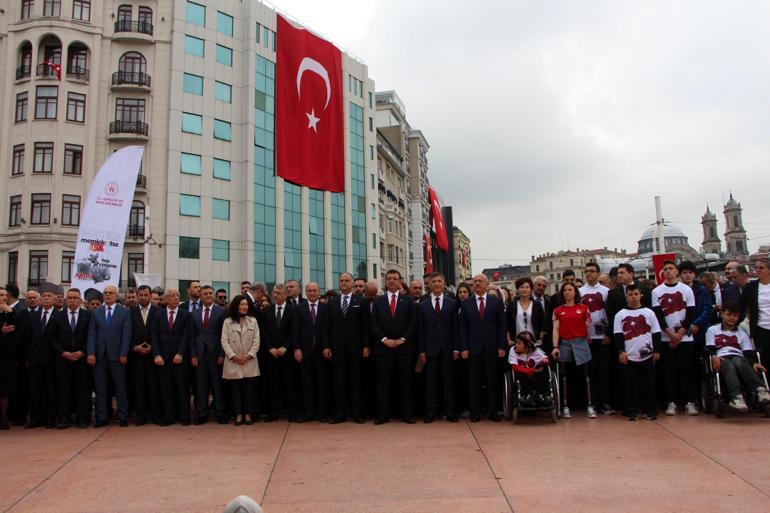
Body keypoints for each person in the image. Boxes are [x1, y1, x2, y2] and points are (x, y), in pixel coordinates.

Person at [370, 269, 417, 424]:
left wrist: (403, 339)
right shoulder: (378, 301)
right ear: (385, 281)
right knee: (382, 384)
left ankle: (406, 414)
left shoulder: (408, 300)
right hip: (383, 349)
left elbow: (412, 323)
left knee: (405, 383)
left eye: (394, 278)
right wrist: (384, 339)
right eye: (388, 278)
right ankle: (382, 415)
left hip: (404, 349)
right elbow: (373, 324)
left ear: (399, 281)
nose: (391, 281)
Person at [706, 300, 770, 411]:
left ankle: (760, 390)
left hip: (738, 356)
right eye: (729, 314)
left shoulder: (741, 332)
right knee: (729, 364)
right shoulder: (713, 330)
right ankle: (736, 397)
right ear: (722, 314)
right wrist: (713, 357)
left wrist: (754, 363)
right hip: (722, 357)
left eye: (735, 315)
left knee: (739, 362)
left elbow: (748, 352)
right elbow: (710, 348)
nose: (732, 318)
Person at [652, 261, 697, 416]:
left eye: (671, 268)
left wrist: (681, 332)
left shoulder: (686, 290)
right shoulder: (657, 291)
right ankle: (671, 401)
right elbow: (658, 315)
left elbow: (690, 312)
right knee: (669, 371)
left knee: (686, 370)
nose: (668, 271)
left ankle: (689, 401)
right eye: (665, 269)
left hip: (684, 338)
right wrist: (670, 334)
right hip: (666, 338)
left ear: (676, 271)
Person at [459, 273, 507, 422]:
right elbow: (463, 328)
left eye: (480, 281)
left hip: (492, 348)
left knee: (492, 380)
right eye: (475, 282)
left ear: (487, 284)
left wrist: (501, 346)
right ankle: (475, 411)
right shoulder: (466, 303)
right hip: (473, 349)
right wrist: (464, 348)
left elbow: (501, 326)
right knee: (474, 381)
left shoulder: (496, 302)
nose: (478, 284)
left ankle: (493, 411)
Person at [325, 272, 370, 424]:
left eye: (346, 280)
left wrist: (366, 345)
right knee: (339, 383)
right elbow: (327, 327)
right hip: (337, 349)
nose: (343, 283)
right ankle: (340, 413)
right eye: (341, 281)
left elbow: (366, 325)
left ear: (352, 283)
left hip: (356, 348)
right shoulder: (332, 302)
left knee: (356, 382)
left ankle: (357, 413)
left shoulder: (361, 301)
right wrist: (326, 346)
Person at [613, 284, 662, 421]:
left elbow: (656, 333)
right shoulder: (620, 315)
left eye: (636, 294)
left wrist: (656, 351)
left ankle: (650, 410)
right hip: (629, 356)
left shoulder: (649, 313)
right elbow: (618, 335)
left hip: (647, 355)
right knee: (630, 385)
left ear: (640, 295)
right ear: (626, 297)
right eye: (630, 294)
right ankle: (631, 410)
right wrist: (620, 351)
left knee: (649, 385)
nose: (633, 297)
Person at [87, 285, 131, 427]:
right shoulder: (96, 312)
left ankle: (122, 416)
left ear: (116, 295)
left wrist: (124, 353)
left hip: (117, 355)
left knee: (120, 387)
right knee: (100, 388)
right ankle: (101, 417)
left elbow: (126, 334)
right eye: (105, 293)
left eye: (110, 293)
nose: (107, 295)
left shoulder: (124, 312)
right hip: (100, 356)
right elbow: (92, 333)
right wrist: (91, 353)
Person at [418, 272, 459, 423]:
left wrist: (456, 348)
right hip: (430, 350)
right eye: (433, 281)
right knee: (431, 383)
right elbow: (420, 330)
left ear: (443, 283)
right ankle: (430, 412)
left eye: (438, 281)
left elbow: (456, 327)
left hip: (448, 349)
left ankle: (450, 411)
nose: (436, 284)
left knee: (448, 382)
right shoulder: (422, 306)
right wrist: (421, 350)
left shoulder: (452, 303)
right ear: (428, 284)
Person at [551, 282, 596, 419]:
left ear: (575, 292)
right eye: (565, 290)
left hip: (581, 342)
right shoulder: (558, 310)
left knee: (586, 375)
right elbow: (556, 329)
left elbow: (587, 324)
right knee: (564, 376)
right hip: (565, 343)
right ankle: (565, 406)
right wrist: (555, 346)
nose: (567, 292)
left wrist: (586, 335)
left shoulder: (583, 308)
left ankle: (589, 405)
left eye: (570, 290)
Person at [49, 288, 91, 429]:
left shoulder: (87, 316)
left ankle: (82, 418)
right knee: (63, 389)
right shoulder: (58, 316)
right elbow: (52, 338)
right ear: (66, 299)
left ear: (80, 300)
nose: (72, 300)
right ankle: (63, 419)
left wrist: (82, 352)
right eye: (70, 298)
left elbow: (90, 337)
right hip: (63, 359)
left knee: (82, 390)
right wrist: (63, 352)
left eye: (75, 298)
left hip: (81, 359)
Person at [152, 289, 192, 426]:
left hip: (180, 357)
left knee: (182, 388)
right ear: (166, 299)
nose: (176, 298)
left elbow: (187, 336)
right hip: (163, 358)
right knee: (166, 388)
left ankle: (184, 416)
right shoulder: (158, 315)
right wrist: (157, 354)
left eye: (178, 296)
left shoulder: (185, 315)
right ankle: (169, 416)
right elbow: (154, 336)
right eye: (173, 296)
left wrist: (180, 353)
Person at [579, 262, 613, 415]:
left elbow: (611, 314)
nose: (589, 274)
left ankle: (605, 402)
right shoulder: (579, 292)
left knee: (604, 371)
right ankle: (591, 402)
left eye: (592, 271)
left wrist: (607, 334)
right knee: (589, 372)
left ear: (598, 274)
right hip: (587, 338)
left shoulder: (606, 292)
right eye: (586, 271)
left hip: (603, 337)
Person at [190, 285, 227, 425]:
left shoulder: (221, 311)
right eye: (205, 293)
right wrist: (193, 354)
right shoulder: (194, 313)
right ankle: (201, 413)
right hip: (200, 354)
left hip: (216, 353)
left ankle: (220, 413)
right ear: (200, 295)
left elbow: (224, 334)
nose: (208, 295)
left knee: (217, 385)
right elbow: (191, 336)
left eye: (210, 293)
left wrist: (222, 354)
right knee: (201, 386)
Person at [221, 295, 260, 426]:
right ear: (236, 306)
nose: (244, 307)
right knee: (235, 390)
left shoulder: (253, 321)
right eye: (242, 304)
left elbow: (256, 340)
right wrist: (233, 356)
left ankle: (248, 414)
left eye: (246, 304)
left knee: (249, 390)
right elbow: (224, 341)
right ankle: (238, 414)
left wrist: (249, 355)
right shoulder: (227, 321)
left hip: (249, 360)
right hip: (233, 360)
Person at [292, 283, 329, 422]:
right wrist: (296, 348)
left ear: (319, 292)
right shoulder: (298, 308)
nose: (312, 293)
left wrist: (326, 347)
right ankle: (309, 412)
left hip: (321, 352)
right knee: (306, 383)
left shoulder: (326, 308)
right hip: (304, 352)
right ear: (306, 292)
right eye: (309, 291)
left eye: (314, 290)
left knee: (322, 383)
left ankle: (321, 413)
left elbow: (328, 329)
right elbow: (294, 330)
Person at [262, 283, 296, 422]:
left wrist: (285, 347)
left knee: (289, 385)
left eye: (278, 293)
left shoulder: (293, 310)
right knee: (273, 385)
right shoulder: (267, 310)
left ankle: (291, 413)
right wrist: (270, 348)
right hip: (271, 355)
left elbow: (294, 331)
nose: (275, 295)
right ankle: (273, 413)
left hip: (287, 354)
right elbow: (263, 332)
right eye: (274, 292)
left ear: (285, 295)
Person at [26, 283, 58, 428]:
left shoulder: (59, 316)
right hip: (35, 359)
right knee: (34, 390)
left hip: (51, 359)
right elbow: (27, 338)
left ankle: (49, 418)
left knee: (50, 389)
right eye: (43, 296)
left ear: (54, 299)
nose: (46, 298)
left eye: (48, 296)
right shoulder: (33, 316)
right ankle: (35, 418)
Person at [130, 285, 160, 426]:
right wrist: (133, 347)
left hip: (152, 355)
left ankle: (155, 414)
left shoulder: (158, 312)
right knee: (139, 386)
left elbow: (160, 334)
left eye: (145, 295)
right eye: (140, 295)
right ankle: (141, 415)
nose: (143, 297)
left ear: (150, 295)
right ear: (137, 296)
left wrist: (153, 348)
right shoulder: (131, 313)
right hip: (136, 356)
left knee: (154, 386)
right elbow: (127, 333)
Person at [508, 330, 550, 404]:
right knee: (521, 374)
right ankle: (528, 395)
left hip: (535, 376)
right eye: (516, 342)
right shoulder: (513, 350)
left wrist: (545, 361)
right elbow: (515, 367)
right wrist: (531, 370)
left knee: (543, 374)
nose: (516, 345)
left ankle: (540, 395)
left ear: (527, 346)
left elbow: (546, 359)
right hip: (522, 376)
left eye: (519, 343)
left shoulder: (536, 351)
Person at [741, 258, 770, 356]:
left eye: (761, 268)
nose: (758, 270)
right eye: (756, 267)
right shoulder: (751, 286)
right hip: (760, 328)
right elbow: (741, 305)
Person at [507, 277, 546, 347]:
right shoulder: (512, 305)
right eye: (521, 287)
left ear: (531, 289)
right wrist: (509, 340)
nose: (524, 289)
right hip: (516, 342)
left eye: (527, 287)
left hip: (534, 342)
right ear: (518, 289)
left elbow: (542, 324)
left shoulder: (537, 304)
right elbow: (507, 324)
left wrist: (540, 338)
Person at [0, 287, 18, 429]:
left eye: (6, 295)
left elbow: (14, 329)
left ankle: (2, 417)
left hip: (6, 357)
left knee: (5, 389)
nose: (4, 297)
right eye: (1, 295)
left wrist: (10, 312)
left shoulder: (9, 312)